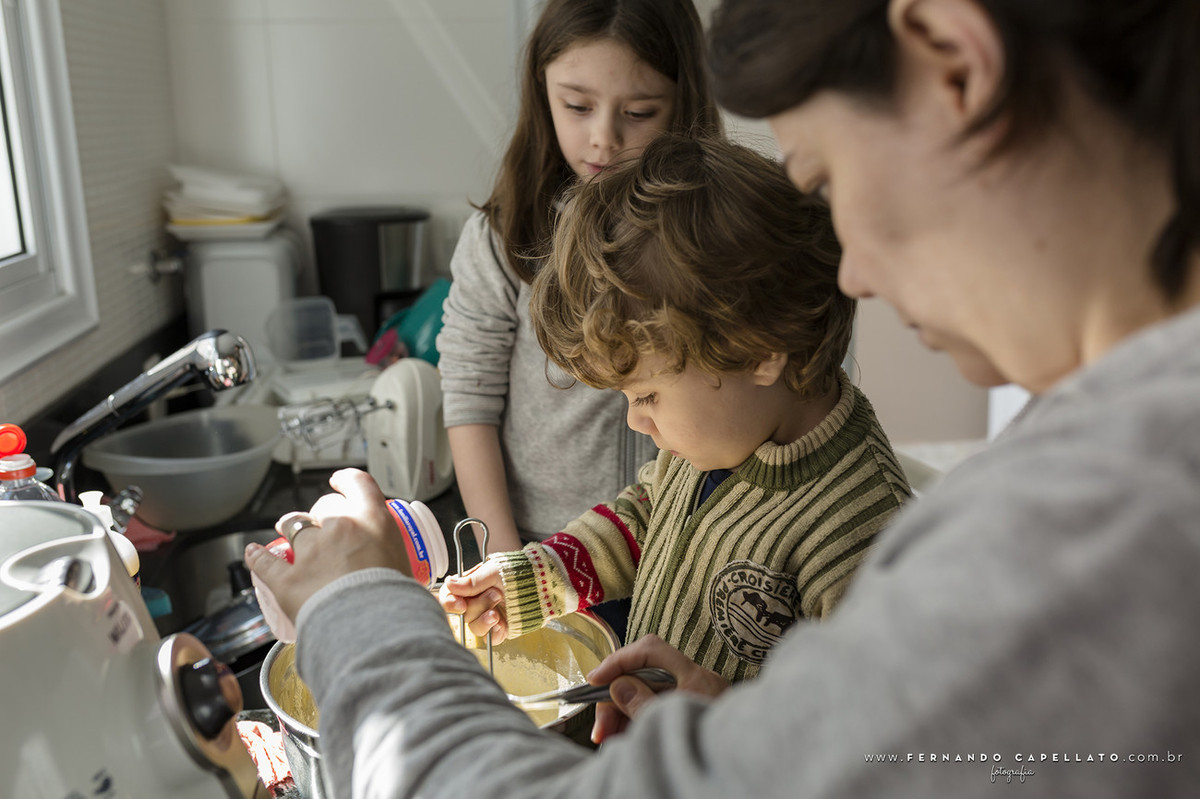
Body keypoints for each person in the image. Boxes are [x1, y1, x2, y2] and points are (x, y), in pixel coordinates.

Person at [245, 0, 1200, 795]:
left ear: (955, 64)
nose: (854, 273)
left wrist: (355, 605)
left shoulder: (1113, 527)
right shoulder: (1100, 450)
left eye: (827, 178)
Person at [437, 133, 910, 688]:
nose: (637, 420)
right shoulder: (724, 436)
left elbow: (864, 726)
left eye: (647, 395)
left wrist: (717, 716)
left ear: (757, 351)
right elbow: (646, 518)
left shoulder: (861, 535)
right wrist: (536, 578)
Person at [436, 0, 722, 556]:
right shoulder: (503, 235)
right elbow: (470, 400)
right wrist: (506, 557)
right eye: (577, 105)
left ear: (683, 103)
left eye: (639, 112)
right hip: (542, 541)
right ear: (542, 91)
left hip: (685, 541)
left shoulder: (712, 233)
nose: (604, 138)